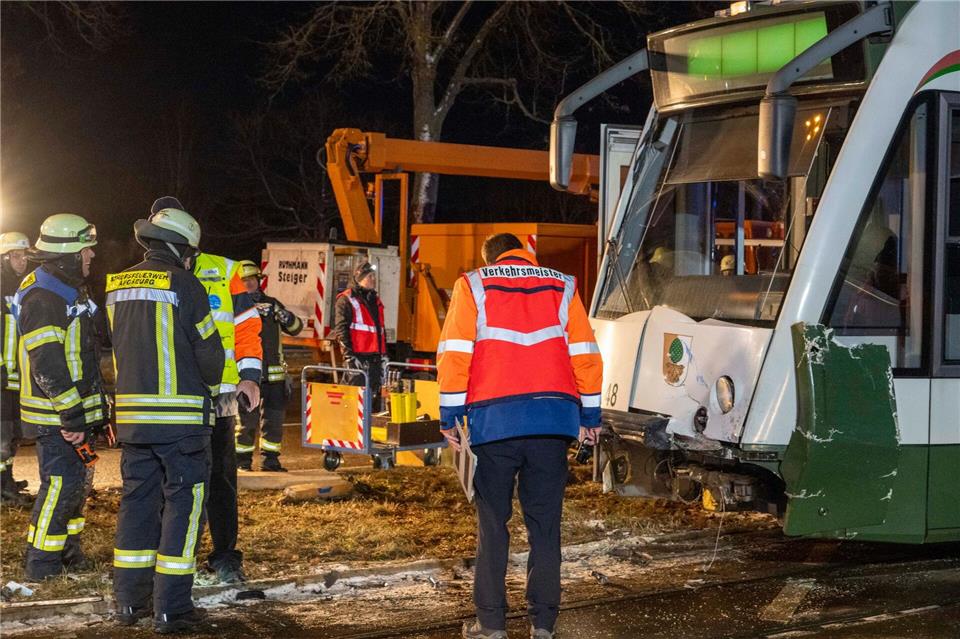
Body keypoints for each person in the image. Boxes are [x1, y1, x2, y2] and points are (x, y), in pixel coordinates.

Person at [437, 233, 603, 639]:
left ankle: (491, 624)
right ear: (526, 253)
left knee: (493, 525)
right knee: (545, 526)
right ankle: (543, 624)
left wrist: (450, 415)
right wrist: (590, 415)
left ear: (489, 259)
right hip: (552, 423)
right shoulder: (563, 285)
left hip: (494, 424)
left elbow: (456, 353)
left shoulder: (473, 284)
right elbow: (585, 354)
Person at [108, 207, 225, 633]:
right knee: (184, 508)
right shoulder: (186, 284)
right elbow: (210, 358)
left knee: (137, 505)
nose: (192, 260)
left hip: (133, 419)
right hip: (181, 422)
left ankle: (129, 603)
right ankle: (171, 609)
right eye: (191, 253)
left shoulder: (117, 285)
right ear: (180, 248)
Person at [148, 196, 262, 585]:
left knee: (221, 479)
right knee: (171, 478)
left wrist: (250, 376)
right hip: (172, 392)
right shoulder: (152, 274)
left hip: (221, 393)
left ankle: (225, 556)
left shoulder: (226, 270)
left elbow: (247, 327)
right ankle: (173, 556)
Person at [12, 214, 108, 580]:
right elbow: (48, 363)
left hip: (72, 413)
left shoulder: (65, 288)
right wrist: (71, 415)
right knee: (60, 487)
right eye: (86, 250)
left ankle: (69, 553)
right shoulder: (44, 296)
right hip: (59, 418)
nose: (91, 256)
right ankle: (42, 565)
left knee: (76, 488)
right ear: (68, 254)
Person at [234, 260, 302, 472]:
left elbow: (296, 328)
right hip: (247, 375)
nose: (249, 284)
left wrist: (286, 317)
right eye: (244, 281)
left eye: (252, 279)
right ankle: (242, 462)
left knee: (273, 422)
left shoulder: (272, 304)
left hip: (274, 376)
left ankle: (270, 461)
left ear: (259, 281)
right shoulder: (234, 306)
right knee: (246, 422)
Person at [1, 231, 32, 505]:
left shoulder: (21, 287)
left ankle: (7, 480)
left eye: (24, 256)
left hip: (15, 377)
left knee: (11, 435)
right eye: (17, 256)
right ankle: (2, 489)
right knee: (2, 435)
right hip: (2, 376)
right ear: (4, 258)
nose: (23, 261)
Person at [333, 262, 387, 402]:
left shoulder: (374, 300)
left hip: (374, 358)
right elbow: (341, 330)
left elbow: (380, 330)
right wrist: (349, 357)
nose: (373, 279)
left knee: (373, 399)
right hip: (357, 358)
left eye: (374, 276)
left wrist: (383, 355)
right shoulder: (346, 299)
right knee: (353, 399)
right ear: (359, 279)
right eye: (370, 276)